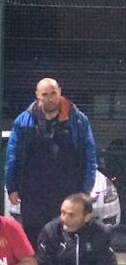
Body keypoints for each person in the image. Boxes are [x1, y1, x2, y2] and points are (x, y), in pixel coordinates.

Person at [6, 78, 97, 253]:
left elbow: (89, 156)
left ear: (60, 92)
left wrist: (86, 189)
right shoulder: (23, 121)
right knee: (33, 241)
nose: (50, 98)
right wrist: (12, 187)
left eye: (53, 93)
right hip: (32, 194)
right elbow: (12, 156)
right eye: (45, 94)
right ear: (37, 96)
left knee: (65, 240)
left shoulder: (78, 120)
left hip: (68, 193)